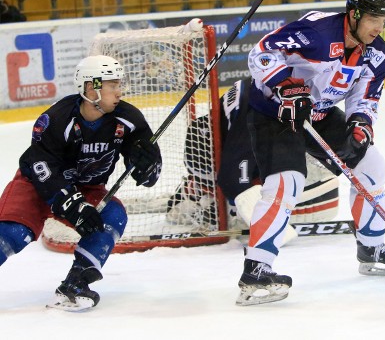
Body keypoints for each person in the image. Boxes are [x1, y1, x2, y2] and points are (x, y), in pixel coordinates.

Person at [235, 0, 385, 306]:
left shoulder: (378, 55)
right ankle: (257, 269)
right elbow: (260, 52)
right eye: (374, 18)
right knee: (288, 182)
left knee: (370, 164)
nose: (379, 27)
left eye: (384, 20)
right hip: (275, 115)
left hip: (318, 114)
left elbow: (365, 99)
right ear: (355, 14)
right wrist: (287, 86)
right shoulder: (316, 32)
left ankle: (371, 246)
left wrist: (360, 125)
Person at [0, 55, 162, 311]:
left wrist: (147, 166)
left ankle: (76, 284)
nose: (119, 91)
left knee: (111, 217)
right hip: (37, 185)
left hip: (88, 188)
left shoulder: (128, 119)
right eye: (112, 85)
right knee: (12, 234)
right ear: (91, 87)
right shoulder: (57, 119)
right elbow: (42, 169)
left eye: (119, 84)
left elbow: (149, 176)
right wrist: (73, 205)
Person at [166, 77, 339, 229]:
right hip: (300, 179)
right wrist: (239, 204)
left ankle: (211, 197)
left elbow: (234, 180)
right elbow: (235, 180)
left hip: (311, 189)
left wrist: (237, 204)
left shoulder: (258, 96)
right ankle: (208, 195)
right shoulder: (254, 113)